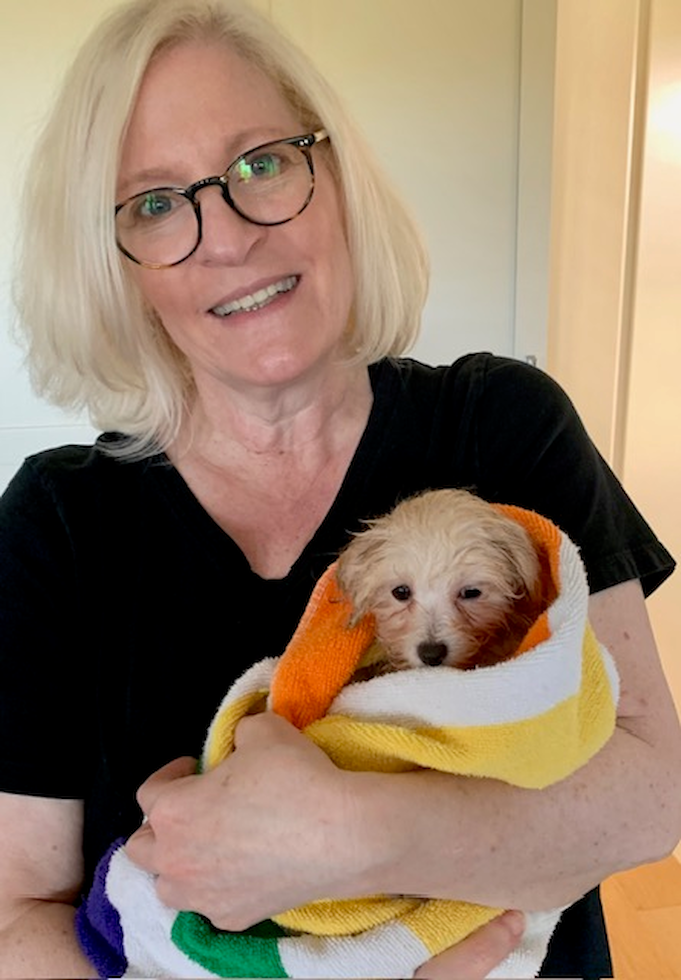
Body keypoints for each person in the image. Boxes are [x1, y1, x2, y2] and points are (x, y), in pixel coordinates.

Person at [0, 0, 679, 977]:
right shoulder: (57, 522)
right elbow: (17, 912)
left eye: (260, 163)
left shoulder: (505, 422)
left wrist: (356, 833)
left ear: (338, 180)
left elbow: (651, 795)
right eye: (153, 203)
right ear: (109, 267)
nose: (227, 237)